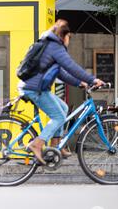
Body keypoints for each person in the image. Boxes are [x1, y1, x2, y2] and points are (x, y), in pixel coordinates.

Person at [18, 22, 105, 165]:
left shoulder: (49, 44)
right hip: (35, 89)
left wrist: (79, 83)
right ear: (63, 36)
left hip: (35, 87)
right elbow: (71, 67)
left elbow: (61, 73)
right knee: (58, 116)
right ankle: (37, 144)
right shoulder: (55, 47)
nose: (69, 40)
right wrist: (92, 79)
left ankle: (55, 146)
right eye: (69, 37)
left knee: (63, 108)